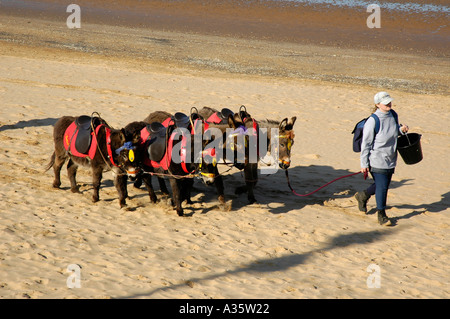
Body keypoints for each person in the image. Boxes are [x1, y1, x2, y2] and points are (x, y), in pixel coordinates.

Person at [355, 92, 409, 225]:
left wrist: (401, 130)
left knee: (382, 185)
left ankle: (363, 195)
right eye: (385, 103)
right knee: (383, 187)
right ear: (378, 105)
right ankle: (382, 215)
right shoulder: (373, 120)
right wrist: (364, 163)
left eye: (389, 101)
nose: (389, 104)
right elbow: (366, 143)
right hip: (376, 159)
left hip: (391, 158)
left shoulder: (393, 115)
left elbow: (393, 132)